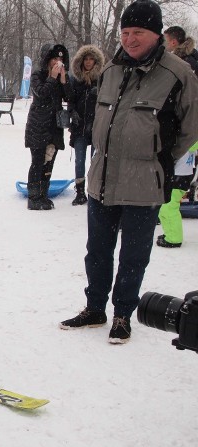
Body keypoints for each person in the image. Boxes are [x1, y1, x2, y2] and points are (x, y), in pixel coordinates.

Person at [60, 0, 198, 344]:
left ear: (157, 34)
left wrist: (158, 159)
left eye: (138, 32)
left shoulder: (178, 74)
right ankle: (95, 308)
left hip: (143, 181)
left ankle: (122, 314)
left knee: (134, 254)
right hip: (102, 176)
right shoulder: (111, 70)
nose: (130, 39)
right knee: (97, 250)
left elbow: (190, 128)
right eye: (125, 32)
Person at [157, 25, 198, 248]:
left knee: (170, 198)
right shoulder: (188, 62)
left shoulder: (184, 67)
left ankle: (173, 237)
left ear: (173, 42)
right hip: (187, 142)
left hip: (186, 143)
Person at [24, 43, 72, 210]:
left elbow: (69, 97)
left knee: (49, 162)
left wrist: (64, 80)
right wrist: (52, 77)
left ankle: (43, 194)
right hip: (38, 125)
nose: (57, 62)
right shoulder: (38, 75)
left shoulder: (60, 79)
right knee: (37, 161)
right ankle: (33, 197)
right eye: (54, 59)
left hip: (54, 127)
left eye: (60, 59)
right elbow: (41, 94)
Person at [67, 45, 104, 205]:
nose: (88, 62)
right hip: (79, 124)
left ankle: (94, 190)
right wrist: (72, 112)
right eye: (86, 59)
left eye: (91, 59)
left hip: (97, 125)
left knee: (96, 160)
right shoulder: (75, 80)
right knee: (79, 159)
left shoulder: (102, 79)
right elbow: (70, 99)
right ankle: (80, 191)